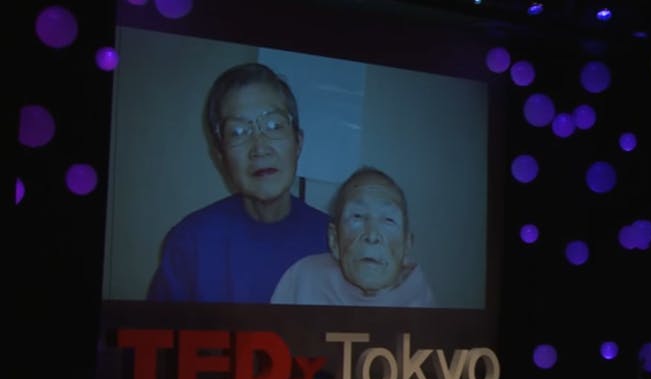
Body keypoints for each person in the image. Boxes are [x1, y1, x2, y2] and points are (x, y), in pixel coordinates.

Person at [147, 62, 330, 303]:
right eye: (238, 132)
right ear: (220, 156)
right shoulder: (191, 242)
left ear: (298, 142)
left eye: (274, 126)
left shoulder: (334, 241)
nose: (260, 148)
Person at [271, 166, 435, 307]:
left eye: (389, 220)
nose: (371, 236)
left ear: (407, 245)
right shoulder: (303, 280)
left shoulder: (418, 297)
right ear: (334, 240)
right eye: (357, 216)